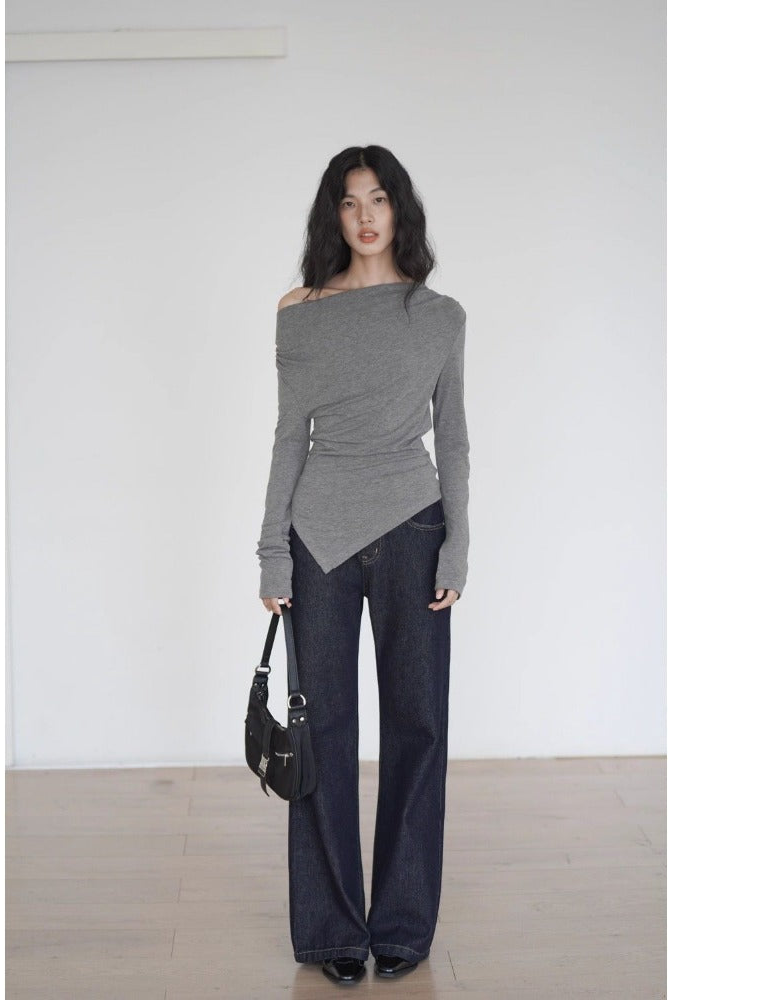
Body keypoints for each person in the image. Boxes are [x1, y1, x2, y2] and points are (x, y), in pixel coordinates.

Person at [255, 145, 470, 985]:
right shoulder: (300, 312)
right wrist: (273, 551)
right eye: (350, 202)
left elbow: (453, 438)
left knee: (419, 728)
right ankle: (332, 931)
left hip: (416, 529)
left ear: (398, 209)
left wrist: (459, 544)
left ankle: (404, 924)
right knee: (324, 736)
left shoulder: (440, 315)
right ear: (333, 216)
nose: (365, 215)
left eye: (378, 198)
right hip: (319, 541)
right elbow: (288, 438)